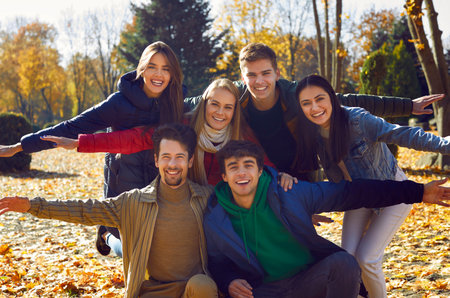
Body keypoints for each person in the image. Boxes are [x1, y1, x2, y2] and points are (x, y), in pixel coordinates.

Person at [0, 41, 185, 257]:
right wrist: (18, 147)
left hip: (158, 178)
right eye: (152, 66)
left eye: (166, 69)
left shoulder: (176, 102)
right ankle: (107, 234)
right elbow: (72, 127)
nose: (159, 74)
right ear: (142, 68)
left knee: (159, 247)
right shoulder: (119, 103)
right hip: (124, 177)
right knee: (133, 249)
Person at [203, 140, 450, 298]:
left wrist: (418, 191)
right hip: (263, 290)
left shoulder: (290, 193)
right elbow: (217, 261)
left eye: (248, 165)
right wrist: (229, 281)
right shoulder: (216, 217)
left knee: (344, 262)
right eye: (234, 167)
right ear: (224, 176)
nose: (242, 172)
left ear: (259, 170)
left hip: (307, 282)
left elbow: (352, 193)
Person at [0, 123, 219, 298]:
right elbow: (84, 210)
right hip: (153, 292)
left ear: (190, 161)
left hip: (194, 291)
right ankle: (105, 235)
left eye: (180, 157)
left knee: (203, 285)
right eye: (166, 156)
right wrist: (32, 205)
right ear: (156, 160)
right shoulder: (134, 202)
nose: (173, 164)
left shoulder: (206, 198)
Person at [186, 43, 444, 180]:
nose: (259, 81)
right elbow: (195, 102)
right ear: (242, 76)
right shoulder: (237, 96)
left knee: (302, 233)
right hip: (262, 174)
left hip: (301, 171)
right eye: (251, 75)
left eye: (266, 73)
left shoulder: (295, 94)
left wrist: (407, 105)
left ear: (277, 73)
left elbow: (343, 99)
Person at [295, 74, 450, 298]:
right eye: (306, 103)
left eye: (319, 99)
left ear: (331, 97)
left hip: (395, 193)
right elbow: (308, 172)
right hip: (359, 198)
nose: (315, 107)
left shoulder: (357, 120)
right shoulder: (312, 135)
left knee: (367, 258)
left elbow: (402, 134)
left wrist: (445, 144)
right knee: (346, 259)